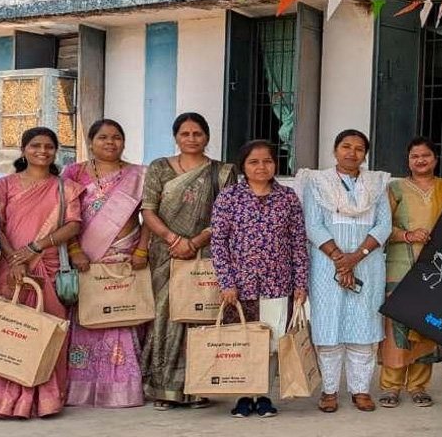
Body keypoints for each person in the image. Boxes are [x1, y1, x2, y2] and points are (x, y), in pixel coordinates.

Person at [0, 127, 83, 418]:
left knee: (46, 334)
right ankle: (1, 402)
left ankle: (44, 401)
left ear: (55, 151)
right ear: (23, 150)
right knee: (7, 331)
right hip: (10, 268)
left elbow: (73, 225)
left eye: (49, 146)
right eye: (35, 145)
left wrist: (36, 247)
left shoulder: (66, 187)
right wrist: (15, 260)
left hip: (48, 266)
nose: (42, 151)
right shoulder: (5, 185)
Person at [141, 113, 236, 410]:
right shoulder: (159, 167)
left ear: (207, 137)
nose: (192, 139)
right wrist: (173, 240)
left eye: (197, 133)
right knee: (165, 317)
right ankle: (163, 387)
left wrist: (194, 243)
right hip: (165, 255)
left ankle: (197, 388)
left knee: (199, 318)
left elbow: (225, 217)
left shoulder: (222, 172)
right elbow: (148, 210)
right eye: (185, 133)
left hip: (205, 255)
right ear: (176, 137)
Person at [210, 140, 309, 418]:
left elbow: (298, 243)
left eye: (267, 161)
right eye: (254, 162)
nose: (261, 167)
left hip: (278, 283)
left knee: (273, 342)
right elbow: (218, 243)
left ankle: (264, 395)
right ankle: (244, 394)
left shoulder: (288, 198)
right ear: (243, 166)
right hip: (240, 286)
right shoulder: (229, 197)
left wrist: (300, 283)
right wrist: (227, 282)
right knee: (244, 340)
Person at [298, 129, 391, 413]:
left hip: (368, 264)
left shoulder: (377, 184)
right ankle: (329, 391)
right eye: (346, 146)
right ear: (335, 150)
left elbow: (384, 226)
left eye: (359, 148)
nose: (352, 153)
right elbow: (313, 225)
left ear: (365, 154)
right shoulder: (317, 182)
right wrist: (341, 259)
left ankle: (361, 390)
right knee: (329, 327)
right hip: (327, 265)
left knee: (364, 326)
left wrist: (356, 257)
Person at [62, 119, 149, 408]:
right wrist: (75, 250)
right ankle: (82, 390)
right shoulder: (73, 173)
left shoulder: (139, 175)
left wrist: (142, 250)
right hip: (87, 258)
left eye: (116, 137)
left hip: (125, 256)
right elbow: (66, 216)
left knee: (122, 317)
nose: (110, 142)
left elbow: (149, 217)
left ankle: (122, 390)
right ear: (90, 142)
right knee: (88, 318)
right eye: (103, 137)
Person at [379, 137, 442, 409]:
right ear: (408, 160)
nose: (420, 160)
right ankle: (390, 386)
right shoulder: (395, 188)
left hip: (437, 268)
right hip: (400, 267)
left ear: (435, 159)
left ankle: (418, 386)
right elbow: (381, 227)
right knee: (397, 327)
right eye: (415, 156)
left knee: (426, 324)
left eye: (426, 155)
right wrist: (407, 235)